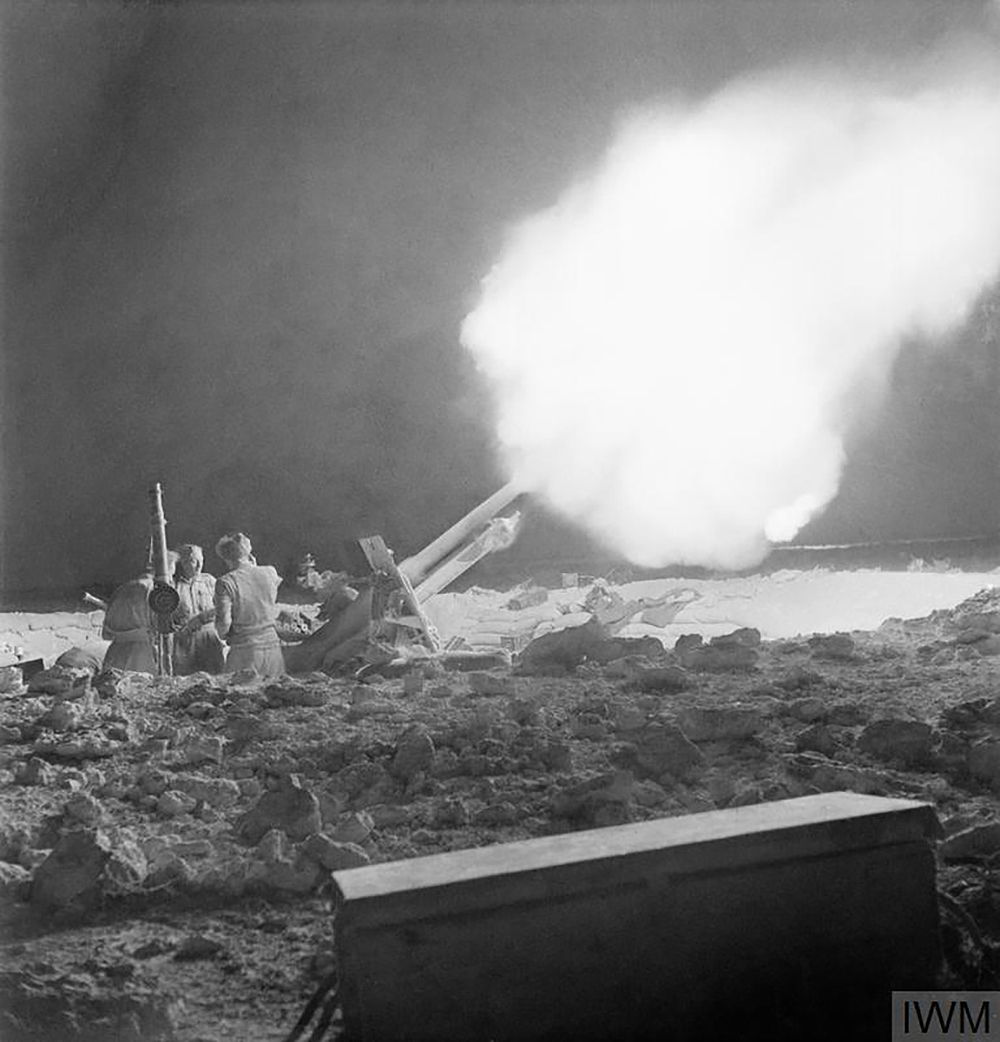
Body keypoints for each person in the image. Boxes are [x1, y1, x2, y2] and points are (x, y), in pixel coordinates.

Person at [214, 531, 285, 677]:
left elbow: (223, 627)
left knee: (238, 697)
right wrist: (253, 565)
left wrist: (225, 635)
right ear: (248, 552)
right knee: (275, 695)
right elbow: (266, 599)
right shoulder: (270, 572)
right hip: (273, 648)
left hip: (245, 652)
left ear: (225, 558)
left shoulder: (225, 582)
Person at [172, 544, 225, 675]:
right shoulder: (173, 586)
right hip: (185, 642)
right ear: (182, 563)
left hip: (210, 639)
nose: (199, 565)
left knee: (215, 679)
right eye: (194, 561)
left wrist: (202, 618)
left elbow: (222, 607)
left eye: (201, 560)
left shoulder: (209, 581)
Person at [101, 567, 157, 674]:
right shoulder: (153, 590)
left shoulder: (121, 589)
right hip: (141, 653)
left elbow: (106, 633)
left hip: (115, 651)